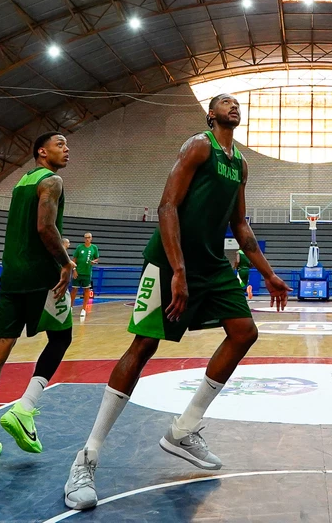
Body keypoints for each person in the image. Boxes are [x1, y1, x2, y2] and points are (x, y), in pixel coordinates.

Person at [62, 94, 291, 510]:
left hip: (211, 264)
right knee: (143, 346)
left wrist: (269, 273)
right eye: (225, 102)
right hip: (170, 260)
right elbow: (168, 205)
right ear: (211, 114)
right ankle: (86, 458)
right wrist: (179, 270)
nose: (233, 106)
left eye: (237, 103)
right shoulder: (198, 145)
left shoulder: (240, 163)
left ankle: (184, 429)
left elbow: (240, 224)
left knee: (244, 332)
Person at [0, 132, 74, 464]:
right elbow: (44, 227)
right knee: (61, 338)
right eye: (60, 144)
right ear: (42, 151)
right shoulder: (51, 180)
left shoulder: (22, 183)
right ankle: (24, 409)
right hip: (42, 277)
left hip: (12, 276)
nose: (66, 150)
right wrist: (65, 263)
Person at [71, 232, 100, 312]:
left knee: (86, 290)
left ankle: (84, 309)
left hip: (87, 273)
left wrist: (94, 261)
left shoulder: (94, 247)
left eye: (88, 237)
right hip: (78, 272)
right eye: (85, 237)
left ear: (91, 238)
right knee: (74, 290)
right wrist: (74, 270)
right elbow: (74, 260)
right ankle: (70, 307)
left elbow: (97, 259)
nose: (87, 239)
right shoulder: (79, 247)